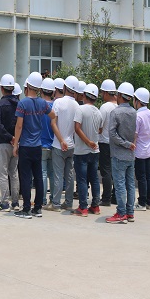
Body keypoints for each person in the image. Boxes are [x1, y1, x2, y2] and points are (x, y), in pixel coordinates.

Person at [12, 72, 56, 219]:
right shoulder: (42, 103)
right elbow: (53, 115)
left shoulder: (23, 103)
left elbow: (19, 126)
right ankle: (37, 208)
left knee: (25, 178)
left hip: (25, 146)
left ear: (28, 86)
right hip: (38, 145)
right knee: (38, 177)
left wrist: (15, 144)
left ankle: (26, 209)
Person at [106, 82, 137, 224]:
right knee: (130, 185)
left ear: (119, 96)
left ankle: (121, 213)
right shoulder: (134, 112)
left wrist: (125, 144)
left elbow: (112, 134)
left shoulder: (116, 112)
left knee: (119, 185)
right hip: (130, 155)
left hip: (119, 154)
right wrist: (130, 144)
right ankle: (130, 212)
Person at [48, 75, 79, 211]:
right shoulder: (77, 105)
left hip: (58, 145)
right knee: (70, 176)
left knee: (58, 175)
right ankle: (68, 202)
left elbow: (53, 123)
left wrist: (61, 140)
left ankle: (56, 203)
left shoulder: (58, 102)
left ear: (65, 87)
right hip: (71, 145)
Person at [73, 83, 103, 216]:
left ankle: (83, 207)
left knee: (82, 179)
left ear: (84, 95)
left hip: (81, 151)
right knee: (94, 179)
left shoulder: (80, 110)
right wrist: (92, 140)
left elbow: (77, 128)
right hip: (95, 151)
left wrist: (87, 142)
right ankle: (95, 206)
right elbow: (100, 129)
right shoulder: (98, 112)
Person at [0, 74, 20, 212]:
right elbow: (20, 124)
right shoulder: (19, 104)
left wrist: (9, 137)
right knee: (13, 173)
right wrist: (15, 138)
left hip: (3, 142)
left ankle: (4, 203)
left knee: (2, 173)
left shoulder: (0, 104)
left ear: (2, 88)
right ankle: (15, 202)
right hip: (16, 143)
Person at [133, 87, 150, 211]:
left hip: (139, 151)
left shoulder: (138, 116)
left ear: (138, 101)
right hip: (148, 150)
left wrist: (131, 147)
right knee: (148, 177)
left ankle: (141, 203)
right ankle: (149, 202)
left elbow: (135, 135)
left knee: (141, 177)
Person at [98, 79, 117, 207]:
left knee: (106, 171)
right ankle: (115, 197)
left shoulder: (105, 107)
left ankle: (106, 198)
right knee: (115, 171)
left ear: (105, 93)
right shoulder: (119, 106)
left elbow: (99, 126)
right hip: (116, 143)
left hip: (105, 142)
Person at [40, 77, 56, 206]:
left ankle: (43, 200)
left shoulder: (39, 105)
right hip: (54, 144)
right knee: (52, 174)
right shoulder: (55, 105)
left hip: (41, 144)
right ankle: (53, 199)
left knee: (43, 173)